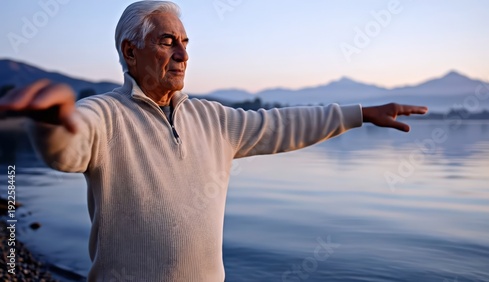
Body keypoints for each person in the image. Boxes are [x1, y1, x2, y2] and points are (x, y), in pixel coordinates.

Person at [0, 1, 427, 281]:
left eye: (185, 42)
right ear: (131, 53)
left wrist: (359, 114)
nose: (184, 55)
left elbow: (283, 124)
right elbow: (67, 150)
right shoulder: (104, 114)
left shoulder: (212, 118)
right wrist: (52, 122)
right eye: (168, 41)